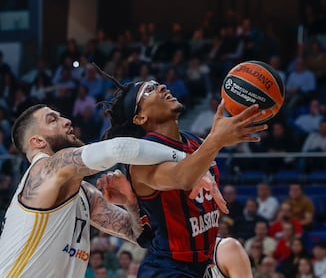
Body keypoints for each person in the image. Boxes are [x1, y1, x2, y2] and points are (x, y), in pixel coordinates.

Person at [0, 103, 219, 277]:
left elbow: (140, 236)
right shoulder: (44, 169)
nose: (67, 121)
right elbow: (116, 149)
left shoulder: (85, 194)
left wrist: (131, 205)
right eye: (53, 120)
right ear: (37, 141)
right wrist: (189, 160)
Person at [101, 76, 265, 277]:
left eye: (156, 83)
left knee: (230, 249)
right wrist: (217, 140)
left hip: (203, 265)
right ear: (140, 117)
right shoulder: (140, 164)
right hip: (168, 268)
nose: (161, 86)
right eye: (149, 90)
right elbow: (183, 178)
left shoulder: (195, 142)